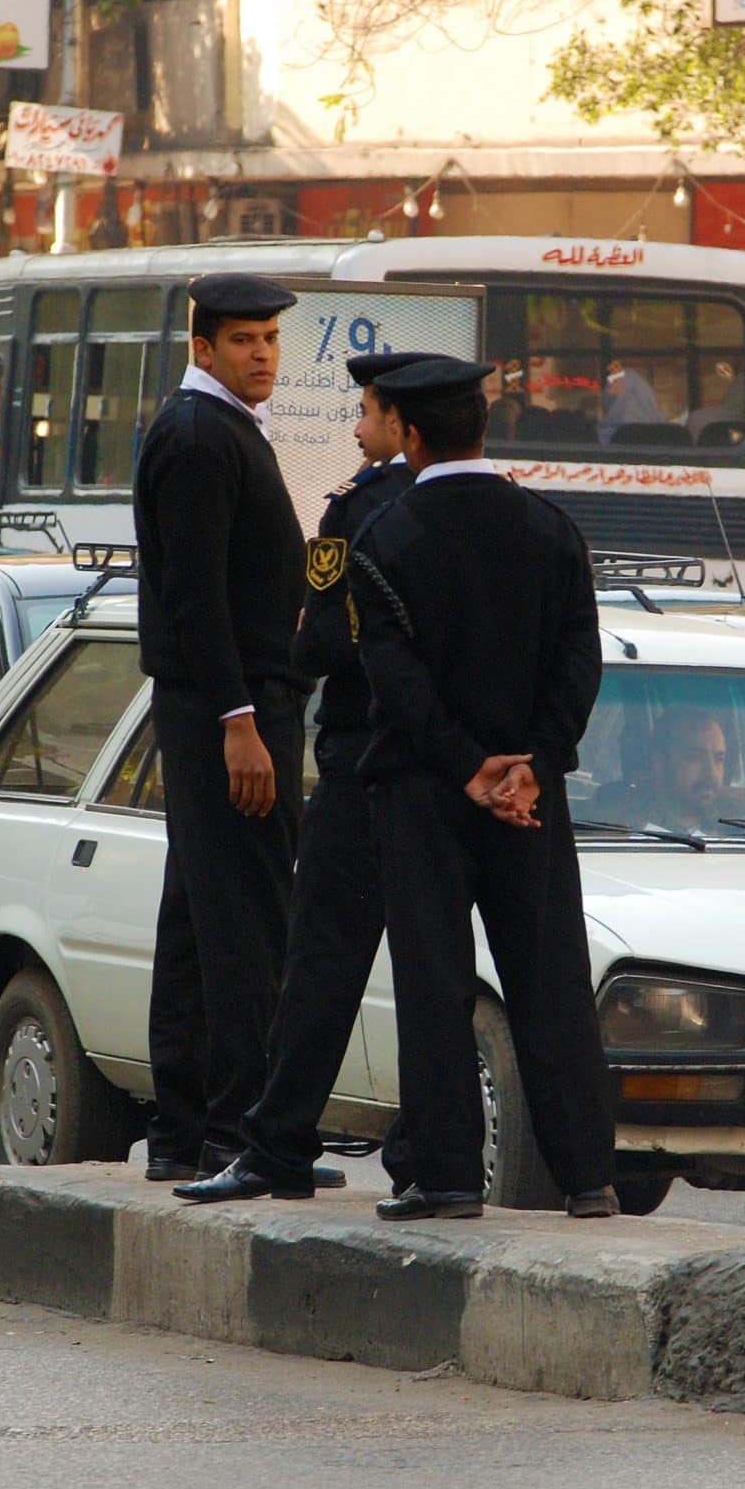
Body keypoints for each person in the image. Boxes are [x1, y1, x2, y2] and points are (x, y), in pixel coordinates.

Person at [347, 356, 618, 1221]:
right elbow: (580, 662)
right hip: (532, 798)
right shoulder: (552, 529)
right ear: (482, 428)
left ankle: (451, 1174)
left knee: (434, 981)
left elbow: (396, 680)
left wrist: (469, 768)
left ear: (413, 435)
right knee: (551, 981)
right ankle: (588, 1177)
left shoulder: (384, 540)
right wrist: (531, 763)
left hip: (428, 796)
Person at [176, 349, 438, 1204]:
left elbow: (321, 644)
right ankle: (430, 1159)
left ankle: (276, 1143)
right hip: (454, 780)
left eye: (363, 413)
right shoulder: (506, 514)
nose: (354, 429)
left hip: (363, 767)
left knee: (318, 966)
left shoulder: (359, 511)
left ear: (402, 426)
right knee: (433, 977)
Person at [133, 272, 314, 1182]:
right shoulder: (201, 435)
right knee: (245, 922)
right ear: (203, 348)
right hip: (226, 708)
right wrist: (241, 720)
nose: (262, 354)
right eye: (244, 340)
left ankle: (186, 1133)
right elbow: (195, 595)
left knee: (202, 923)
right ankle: (243, 1135)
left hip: (230, 699)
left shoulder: (224, 427)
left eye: (271, 340)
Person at [612, 709, 745, 834]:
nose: (711, 772)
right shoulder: (619, 825)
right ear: (659, 763)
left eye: (719, 759)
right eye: (695, 758)